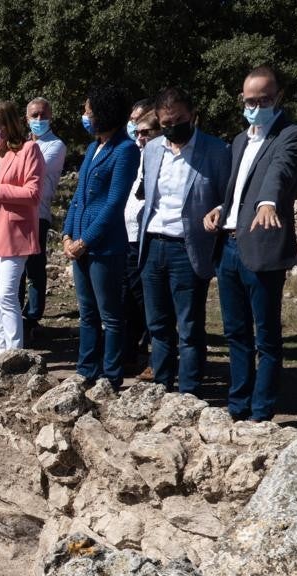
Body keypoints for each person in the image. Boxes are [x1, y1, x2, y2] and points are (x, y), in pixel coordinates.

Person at [202, 66, 297, 422]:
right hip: (229, 246)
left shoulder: (291, 135)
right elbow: (236, 188)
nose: (256, 106)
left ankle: (261, 413)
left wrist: (268, 202)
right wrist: (220, 209)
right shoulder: (239, 140)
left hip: (262, 249)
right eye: (250, 100)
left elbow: (280, 172)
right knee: (235, 333)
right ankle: (238, 405)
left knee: (266, 336)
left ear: (278, 97)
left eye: (264, 99)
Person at [137, 87, 231, 395]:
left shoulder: (215, 151)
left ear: (192, 116)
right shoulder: (152, 150)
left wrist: (217, 211)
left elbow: (228, 198)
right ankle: (162, 388)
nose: (171, 127)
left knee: (189, 327)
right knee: (157, 325)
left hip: (188, 248)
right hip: (152, 245)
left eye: (178, 120)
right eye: (165, 123)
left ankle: (189, 393)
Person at [63, 85, 140, 386]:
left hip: (103, 246)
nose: (85, 116)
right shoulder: (94, 147)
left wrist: (85, 241)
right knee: (87, 313)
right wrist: (68, 234)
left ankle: (111, 375)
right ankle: (86, 370)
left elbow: (114, 203)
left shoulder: (125, 150)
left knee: (110, 315)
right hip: (80, 243)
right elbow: (78, 197)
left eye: (88, 111)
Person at [0, 101, 44, 352]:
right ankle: (1, 350)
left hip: (15, 233)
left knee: (6, 295)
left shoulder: (28, 150)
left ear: (9, 126)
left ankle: (15, 353)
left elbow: (33, 193)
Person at [19, 97, 67, 341]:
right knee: (15, 266)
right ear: (26, 118)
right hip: (16, 211)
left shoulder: (55, 146)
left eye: (43, 115)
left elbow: (31, 172)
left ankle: (33, 316)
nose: (39, 119)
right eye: (34, 115)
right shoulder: (22, 143)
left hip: (38, 213)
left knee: (35, 266)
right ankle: (15, 312)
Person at [123, 105, 159, 374]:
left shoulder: (159, 156)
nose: (140, 136)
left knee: (148, 301)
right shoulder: (138, 155)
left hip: (148, 238)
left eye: (145, 131)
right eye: (136, 130)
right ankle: (131, 355)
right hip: (127, 237)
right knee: (128, 301)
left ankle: (154, 359)